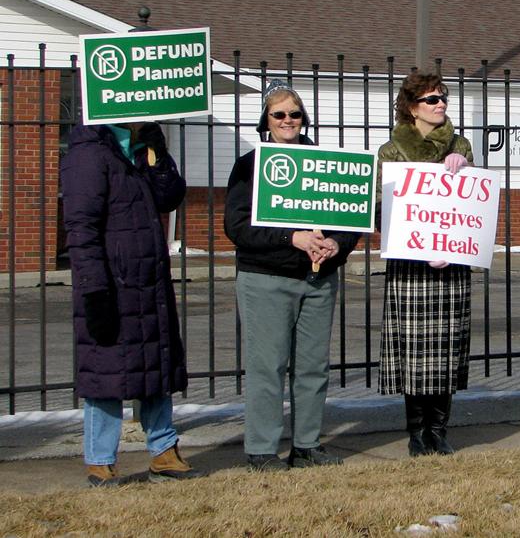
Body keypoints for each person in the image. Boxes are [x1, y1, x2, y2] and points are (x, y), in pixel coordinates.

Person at [224, 80, 360, 471]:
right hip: (266, 279)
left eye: (294, 114)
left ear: (304, 119)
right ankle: (263, 450)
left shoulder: (325, 163)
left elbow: (349, 216)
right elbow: (237, 227)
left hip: (318, 280)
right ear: (266, 120)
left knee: (313, 367)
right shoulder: (250, 166)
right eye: (278, 114)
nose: (287, 120)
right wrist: (292, 237)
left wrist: (338, 243)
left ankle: (306, 445)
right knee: (268, 367)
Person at [62, 119, 199, 486]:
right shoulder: (89, 151)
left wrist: (159, 156)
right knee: (105, 367)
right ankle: (100, 458)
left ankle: (163, 450)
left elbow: (169, 197)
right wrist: (93, 288)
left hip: (149, 282)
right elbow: (81, 226)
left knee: (156, 363)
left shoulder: (142, 148)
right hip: (111, 282)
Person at [377, 72, 474, 456]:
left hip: (450, 263)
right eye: (432, 99)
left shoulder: (460, 144)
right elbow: (382, 206)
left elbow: (470, 207)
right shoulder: (391, 151)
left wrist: (463, 165)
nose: (441, 105)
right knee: (414, 351)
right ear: (412, 106)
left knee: (447, 348)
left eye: (443, 98)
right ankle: (416, 432)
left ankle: (439, 429)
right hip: (410, 264)